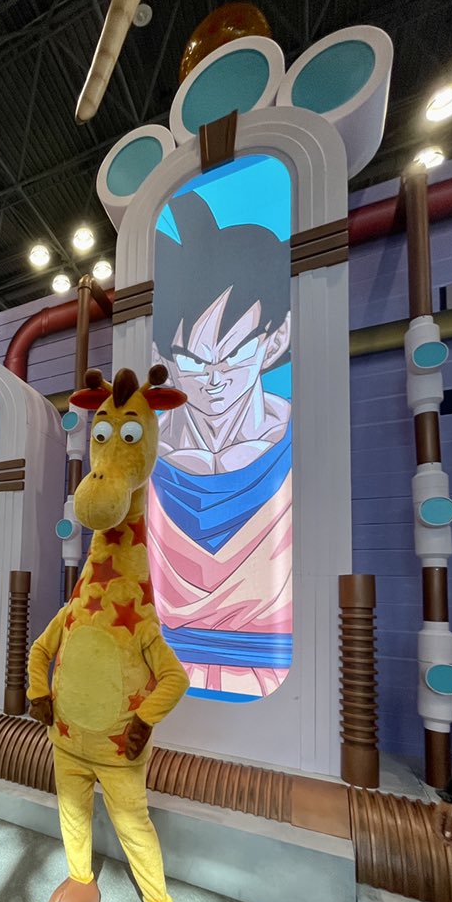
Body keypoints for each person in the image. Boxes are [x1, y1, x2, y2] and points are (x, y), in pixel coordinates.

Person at [149, 190, 292, 701]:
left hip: (276, 698)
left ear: (275, 341)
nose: (212, 379)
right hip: (156, 680)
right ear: (165, 359)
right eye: (192, 359)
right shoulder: (147, 454)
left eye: (233, 354)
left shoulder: (296, 445)